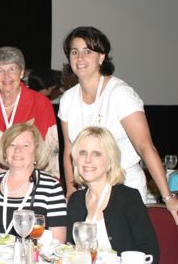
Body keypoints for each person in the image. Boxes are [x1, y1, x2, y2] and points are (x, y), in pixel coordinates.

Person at [58, 26, 178, 224]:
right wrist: (71, 192)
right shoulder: (68, 99)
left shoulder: (120, 94)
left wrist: (168, 198)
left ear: (101, 57)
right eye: (74, 52)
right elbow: (69, 151)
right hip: (86, 192)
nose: (79, 58)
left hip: (123, 186)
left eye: (87, 52)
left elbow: (145, 147)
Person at [66, 126, 159, 261]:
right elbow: (71, 249)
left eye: (96, 154)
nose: (88, 160)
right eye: (82, 153)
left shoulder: (128, 198)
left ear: (110, 161)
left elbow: (150, 252)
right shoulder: (75, 200)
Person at [0, 46, 60, 179]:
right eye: (0, 70)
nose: (6, 76)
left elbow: (51, 151)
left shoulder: (41, 104)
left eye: (12, 69)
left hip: (32, 185)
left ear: (22, 72)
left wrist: (51, 186)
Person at [0, 122, 67, 242]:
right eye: (12, 144)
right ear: (4, 151)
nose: (18, 150)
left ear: (36, 152)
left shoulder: (51, 188)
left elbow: (58, 242)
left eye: (26, 145)